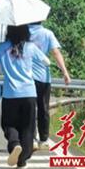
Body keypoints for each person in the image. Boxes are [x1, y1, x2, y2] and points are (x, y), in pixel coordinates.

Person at [0, 24, 49, 168]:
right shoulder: (31, 47)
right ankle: (22, 159)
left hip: (10, 94)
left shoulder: (1, 48)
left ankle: (14, 144)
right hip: (29, 93)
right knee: (27, 127)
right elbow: (46, 62)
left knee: (8, 124)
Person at [29, 22, 71, 151]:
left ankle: (31, 138)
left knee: (30, 109)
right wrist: (64, 72)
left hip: (27, 77)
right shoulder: (47, 33)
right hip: (43, 77)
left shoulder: (23, 32)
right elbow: (55, 52)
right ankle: (44, 139)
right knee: (43, 108)